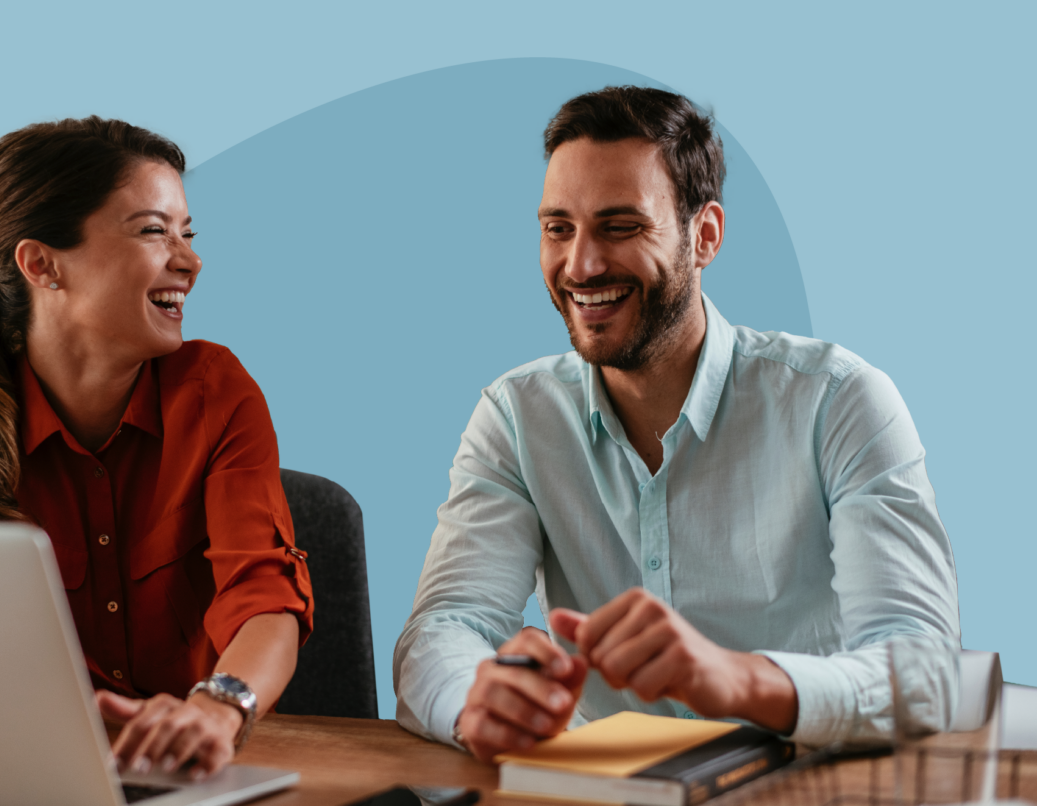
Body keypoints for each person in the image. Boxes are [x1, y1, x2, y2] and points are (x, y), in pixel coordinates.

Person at [393, 86, 959, 761]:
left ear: (705, 235)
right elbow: (445, 626)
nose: (580, 265)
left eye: (620, 225)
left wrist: (739, 678)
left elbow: (925, 674)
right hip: (592, 804)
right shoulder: (517, 416)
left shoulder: (839, 402)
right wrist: (476, 698)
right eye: (558, 228)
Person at [0, 117, 312, 780]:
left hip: (200, 764)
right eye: (154, 230)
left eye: (187, 233)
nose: (189, 259)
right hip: (49, 768)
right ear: (42, 264)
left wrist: (218, 707)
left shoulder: (217, 392)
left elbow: (264, 592)